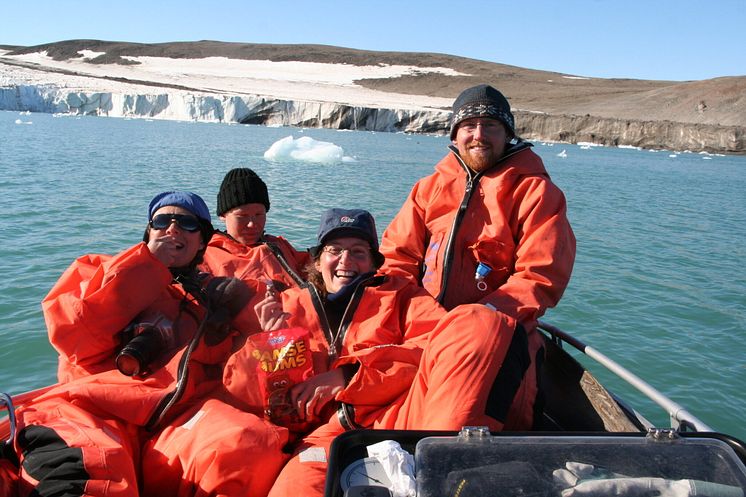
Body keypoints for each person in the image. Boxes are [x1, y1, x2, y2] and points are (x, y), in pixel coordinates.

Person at [221, 208, 534, 497]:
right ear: (317, 260)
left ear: (373, 262)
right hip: (324, 438)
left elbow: (435, 348)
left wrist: (351, 375)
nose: (346, 261)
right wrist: (268, 344)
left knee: (479, 320)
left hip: (402, 419)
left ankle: (445, 467)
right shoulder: (286, 305)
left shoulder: (400, 295)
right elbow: (243, 395)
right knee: (296, 488)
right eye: (335, 251)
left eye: (358, 252)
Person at [3, 192, 288, 497]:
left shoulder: (210, 299)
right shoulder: (99, 270)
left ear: (203, 241)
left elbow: (240, 375)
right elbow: (73, 337)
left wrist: (264, 333)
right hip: (94, 406)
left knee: (248, 441)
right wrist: (148, 265)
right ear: (149, 231)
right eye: (163, 221)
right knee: (96, 468)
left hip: (176, 416)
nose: (173, 229)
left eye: (187, 223)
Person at [380, 84, 577, 422]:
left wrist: (471, 321)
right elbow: (397, 260)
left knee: (461, 426)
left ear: (508, 135)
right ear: (455, 134)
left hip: (498, 346)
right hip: (422, 334)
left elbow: (540, 276)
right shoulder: (428, 189)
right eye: (469, 126)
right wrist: (424, 317)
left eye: (491, 126)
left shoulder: (536, 192)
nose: (479, 135)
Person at [201, 167, 309, 290]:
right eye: (242, 216)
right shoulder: (206, 255)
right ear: (223, 215)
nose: (252, 224)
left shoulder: (279, 244)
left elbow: (310, 264)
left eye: (259, 215)